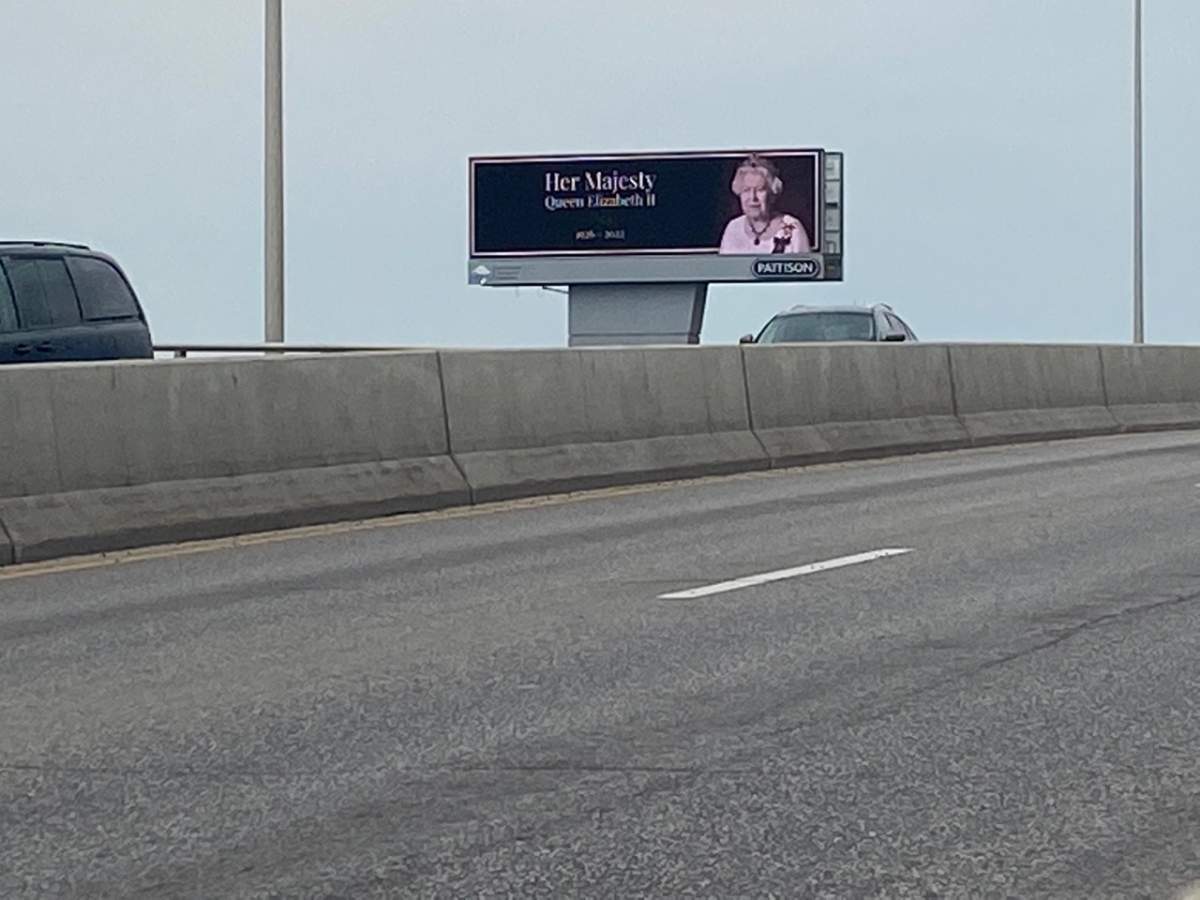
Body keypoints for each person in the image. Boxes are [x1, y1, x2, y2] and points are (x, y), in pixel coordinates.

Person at [718, 154, 812, 255]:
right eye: (746, 190)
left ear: (772, 194)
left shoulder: (793, 228)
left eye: (760, 190)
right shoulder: (733, 228)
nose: (753, 197)